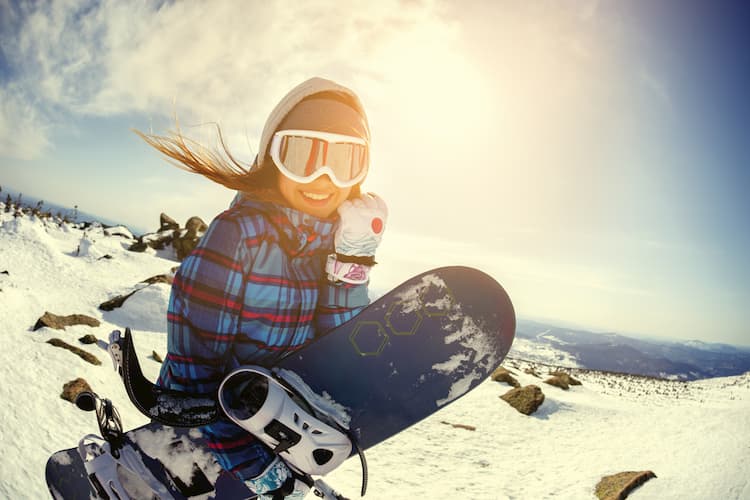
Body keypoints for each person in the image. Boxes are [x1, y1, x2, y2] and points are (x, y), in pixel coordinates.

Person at [136, 77, 387, 499]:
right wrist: (254, 467)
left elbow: (337, 346)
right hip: (205, 442)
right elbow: (193, 377)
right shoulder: (237, 237)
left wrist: (353, 258)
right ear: (273, 157)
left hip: (279, 430)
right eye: (302, 155)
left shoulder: (333, 244)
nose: (323, 178)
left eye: (344, 162)